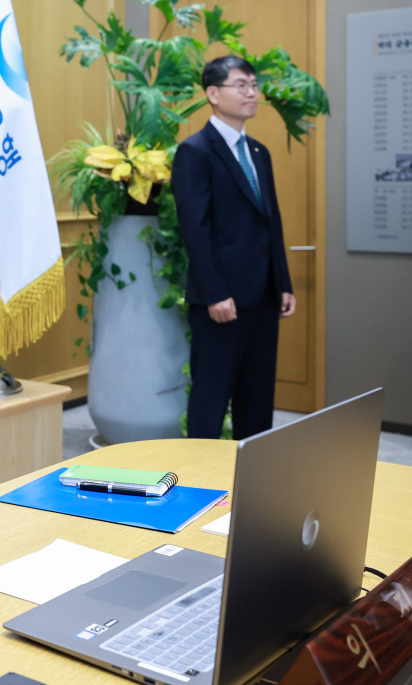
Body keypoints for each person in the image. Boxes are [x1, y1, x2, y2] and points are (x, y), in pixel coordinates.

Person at [171, 56, 295, 440]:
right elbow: (196, 228)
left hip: (263, 296)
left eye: (254, 85)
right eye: (240, 85)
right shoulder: (195, 151)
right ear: (213, 93)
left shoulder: (259, 152)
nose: (252, 93)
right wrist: (215, 293)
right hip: (220, 301)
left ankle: (254, 486)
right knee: (211, 396)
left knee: (257, 399)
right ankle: (201, 486)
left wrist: (283, 282)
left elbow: (271, 222)